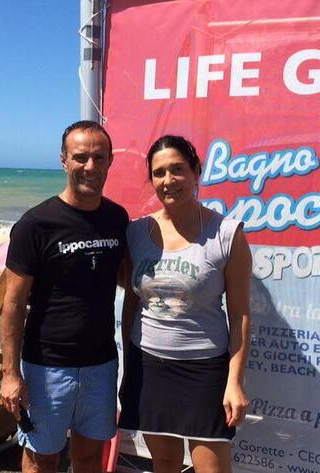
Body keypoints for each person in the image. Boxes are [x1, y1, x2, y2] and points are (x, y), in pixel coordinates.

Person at [0, 120, 129, 473]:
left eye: (98, 158)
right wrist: (10, 374)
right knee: (43, 459)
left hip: (101, 365)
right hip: (46, 367)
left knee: (89, 459)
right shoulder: (35, 224)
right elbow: (11, 305)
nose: (90, 166)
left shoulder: (117, 218)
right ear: (63, 160)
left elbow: (128, 279)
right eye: (80, 157)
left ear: (110, 161)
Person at [119, 135, 252, 473]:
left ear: (196, 172)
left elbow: (240, 315)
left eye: (177, 170)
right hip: (148, 365)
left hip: (205, 369)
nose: (168, 181)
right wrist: (128, 363)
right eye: (159, 172)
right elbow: (132, 302)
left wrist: (234, 382)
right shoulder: (137, 232)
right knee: (163, 463)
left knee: (212, 469)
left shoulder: (226, 233)